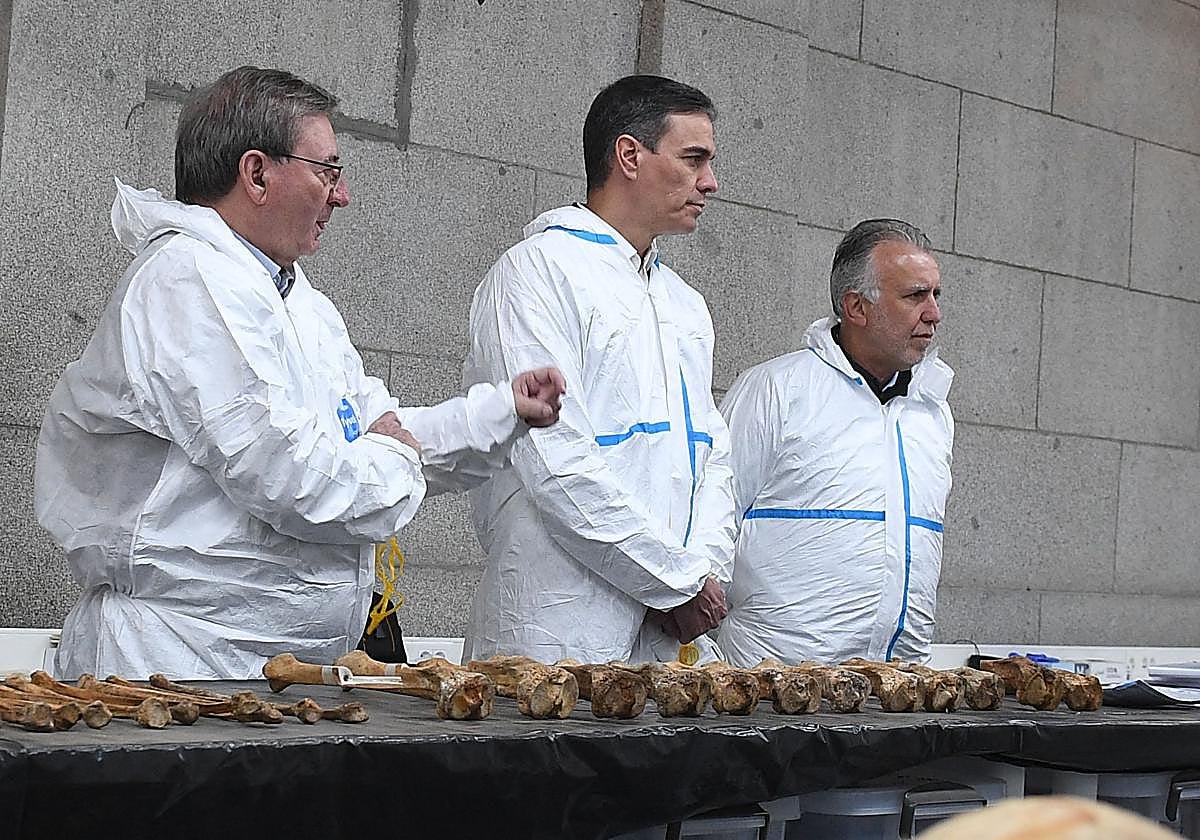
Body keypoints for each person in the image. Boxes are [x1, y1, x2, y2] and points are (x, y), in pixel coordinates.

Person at [33, 66, 565, 680]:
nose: (341, 196)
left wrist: (499, 413)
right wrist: (394, 461)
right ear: (256, 174)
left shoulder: (296, 299)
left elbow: (367, 432)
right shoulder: (189, 278)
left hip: (273, 670)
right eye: (327, 171)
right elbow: (291, 471)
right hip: (183, 666)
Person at [461, 75, 738, 664]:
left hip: (668, 637)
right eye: (693, 160)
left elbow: (713, 453)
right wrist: (673, 583)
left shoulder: (684, 303)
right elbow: (555, 462)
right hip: (556, 633)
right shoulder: (536, 273)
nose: (709, 183)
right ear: (629, 156)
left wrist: (701, 574)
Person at [716, 218, 953, 667]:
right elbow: (711, 518)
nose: (934, 313)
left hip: (895, 691)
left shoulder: (933, 412)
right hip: (776, 692)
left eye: (936, 295)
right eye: (914, 296)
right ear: (856, 307)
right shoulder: (776, 391)